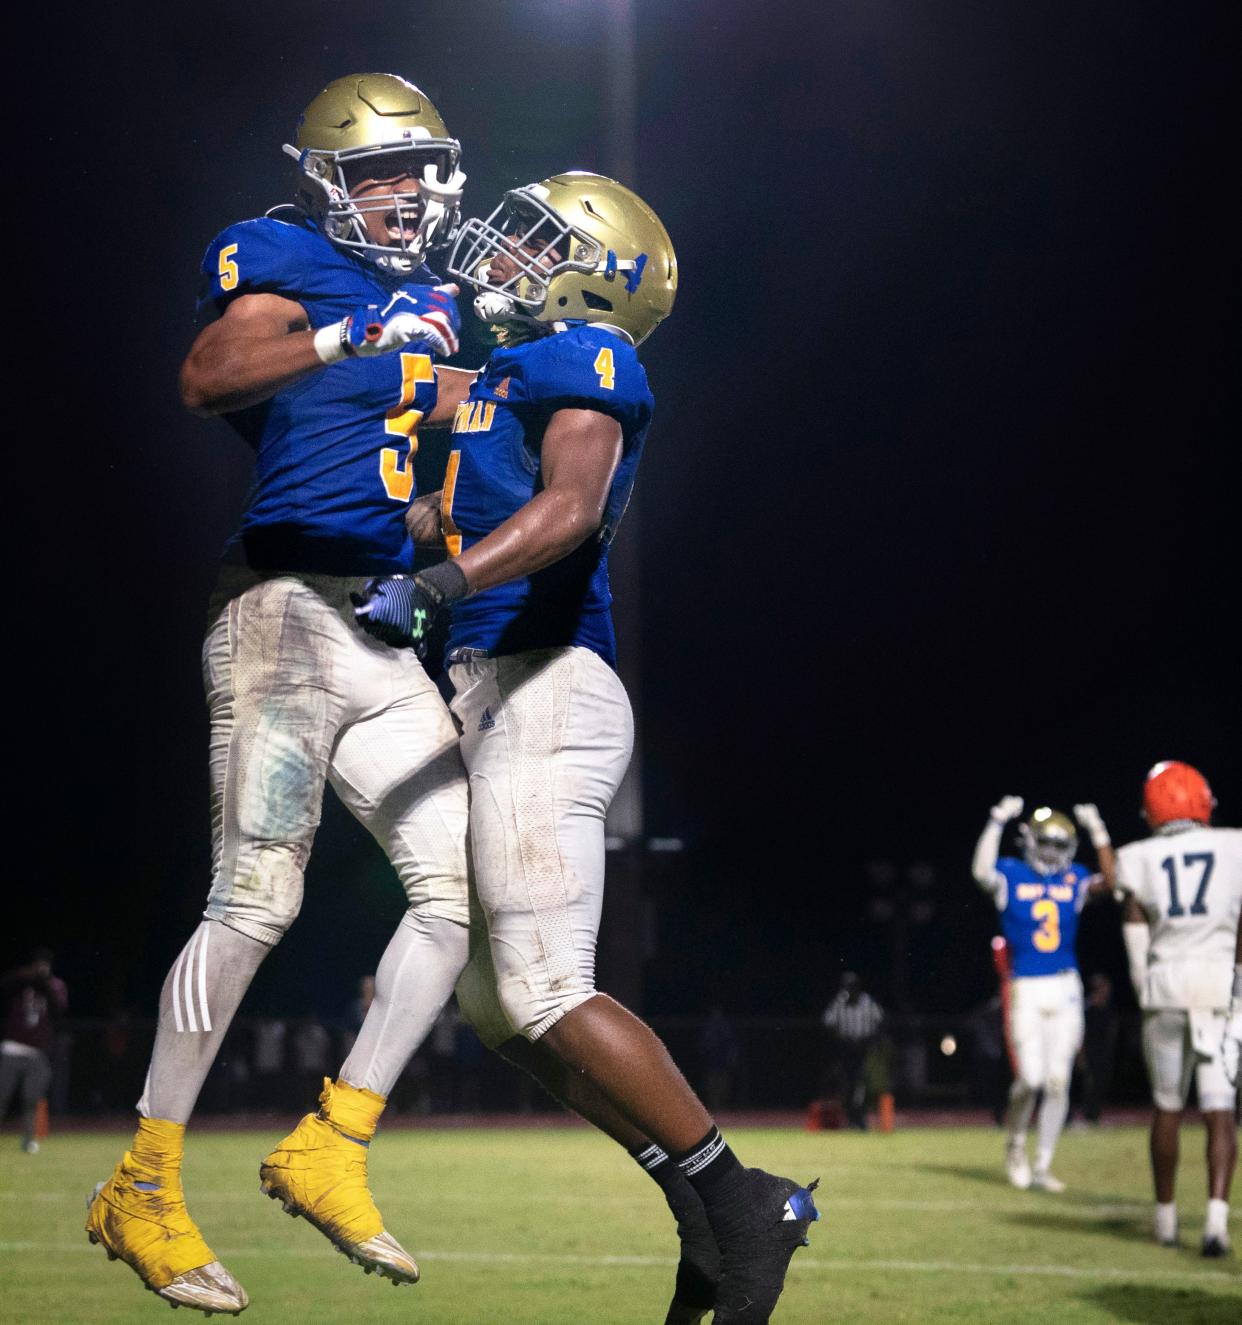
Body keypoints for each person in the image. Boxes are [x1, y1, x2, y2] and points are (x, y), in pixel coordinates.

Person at [351, 170, 819, 1325]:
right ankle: (710, 1216)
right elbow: (449, 491)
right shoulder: (501, 372)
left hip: (550, 681)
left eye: (536, 240)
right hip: (492, 684)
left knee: (550, 987)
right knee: (500, 1008)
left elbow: (568, 504)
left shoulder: (589, 358)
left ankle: (744, 1200)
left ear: (593, 275)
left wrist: (441, 576)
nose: (503, 250)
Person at [84, 73, 473, 1315]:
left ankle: (332, 1139)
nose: (403, 191)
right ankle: (144, 1178)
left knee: (461, 893)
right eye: (377, 172)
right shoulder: (286, 252)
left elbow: (421, 476)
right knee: (257, 895)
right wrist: (351, 333)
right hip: (281, 607)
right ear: (329, 182)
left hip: (378, 617)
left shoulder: (445, 306)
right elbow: (208, 372)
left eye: (416, 169)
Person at [1110, 760, 1242, 1256]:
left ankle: (1165, 1222)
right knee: (1219, 1111)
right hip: (1218, 985)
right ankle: (1215, 1225)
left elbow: (1134, 916)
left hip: (1165, 984)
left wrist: (1144, 983)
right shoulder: (1235, 846)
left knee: (1167, 1106)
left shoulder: (1138, 856)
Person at [972, 795, 1114, 1191]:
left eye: (1059, 844)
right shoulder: (1011, 873)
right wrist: (996, 821)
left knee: (1057, 1081)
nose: (1051, 851)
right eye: (1045, 842)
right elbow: (981, 871)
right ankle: (1015, 1144)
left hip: (1066, 984)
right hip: (1026, 987)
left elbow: (1113, 881)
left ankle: (1043, 1164)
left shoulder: (1075, 878)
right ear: (1031, 840)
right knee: (1030, 1080)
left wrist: (1099, 830)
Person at [0, 947, 67, 1153]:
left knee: (32, 1098)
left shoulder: (54, 986)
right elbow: (4, 988)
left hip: (37, 1052)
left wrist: (44, 984)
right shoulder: (20, 981)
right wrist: (26, 976)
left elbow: (60, 1010)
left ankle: (28, 1140)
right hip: (12, 1048)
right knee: (2, 1096)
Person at [821, 973, 884, 1129]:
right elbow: (828, 1022)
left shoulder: (868, 1002)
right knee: (848, 1083)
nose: (850, 989)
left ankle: (860, 1117)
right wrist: (841, 1040)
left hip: (864, 1047)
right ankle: (851, 1117)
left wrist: (871, 1041)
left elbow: (880, 1021)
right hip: (846, 1048)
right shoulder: (839, 1002)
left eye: (853, 986)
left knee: (862, 1082)